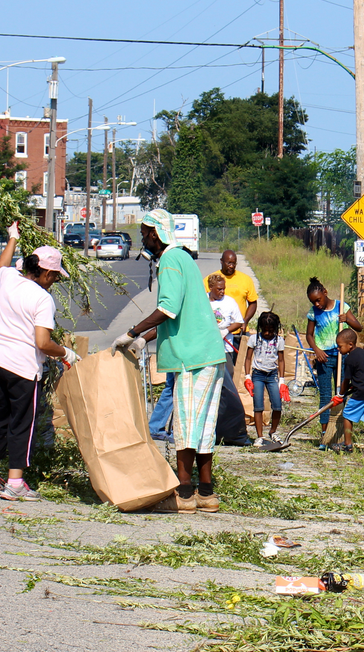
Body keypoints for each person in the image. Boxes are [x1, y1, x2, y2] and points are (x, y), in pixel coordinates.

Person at [114, 209, 227, 513]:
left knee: (186, 427)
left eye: (144, 232)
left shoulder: (170, 260)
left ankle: (185, 494)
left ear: (155, 233)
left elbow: (167, 309)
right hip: (208, 354)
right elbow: (179, 312)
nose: (142, 238)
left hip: (193, 357)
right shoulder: (184, 258)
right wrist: (145, 339)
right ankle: (207, 493)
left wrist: (132, 331)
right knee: (203, 427)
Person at [0, 222, 77, 502]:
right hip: (21, 368)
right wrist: (65, 353)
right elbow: (43, 343)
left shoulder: (9, 280)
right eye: (55, 276)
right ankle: (15, 483)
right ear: (45, 272)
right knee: (21, 424)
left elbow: (3, 263)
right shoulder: (42, 299)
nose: (55, 281)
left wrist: (12, 237)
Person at [304, 276, 363, 440]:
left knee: (341, 394)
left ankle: (342, 432)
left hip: (343, 357)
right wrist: (316, 350)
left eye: (318, 300)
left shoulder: (341, 306)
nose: (317, 304)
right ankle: (325, 433)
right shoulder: (313, 312)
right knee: (325, 395)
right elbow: (309, 335)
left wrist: (347, 320)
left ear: (325, 293)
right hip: (324, 358)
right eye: (313, 302)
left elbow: (359, 327)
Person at [208, 273, 253, 447]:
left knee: (227, 386)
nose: (222, 292)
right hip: (206, 350)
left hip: (224, 349)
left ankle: (227, 422)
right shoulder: (203, 301)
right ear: (211, 288)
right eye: (218, 289)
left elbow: (239, 322)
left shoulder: (229, 302)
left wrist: (225, 330)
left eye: (223, 289)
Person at [332, 328, 364, 456]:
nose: (338, 349)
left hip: (362, 392)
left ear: (350, 345)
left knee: (347, 415)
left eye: (340, 347)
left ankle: (347, 445)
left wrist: (340, 394)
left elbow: (346, 380)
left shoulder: (349, 360)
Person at [243, 311, 286, 445]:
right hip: (258, 375)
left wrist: (282, 380)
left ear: (276, 329)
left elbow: (281, 360)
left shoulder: (279, 341)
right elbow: (248, 358)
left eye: (271, 331)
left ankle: (273, 432)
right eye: (265, 330)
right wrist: (247, 376)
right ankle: (259, 436)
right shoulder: (254, 339)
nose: (267, 333)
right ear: (260, 328)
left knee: (277, 406)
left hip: (272, 375)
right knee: (258, 406)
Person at [205, 249, 258, 349]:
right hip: (216, 334)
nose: (231, 266)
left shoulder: (245, 280)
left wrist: (245, 321)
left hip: (239, 331)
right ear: (221, 261)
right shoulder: (210, 280)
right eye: (229, 263)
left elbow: (253, 303)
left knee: (239, 362)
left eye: (234, 263)